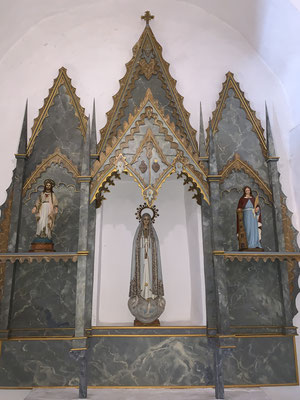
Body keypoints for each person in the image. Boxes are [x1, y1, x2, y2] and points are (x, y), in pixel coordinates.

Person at [129, 213, 164, 300]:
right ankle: (141, 293)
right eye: (144, 219)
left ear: (150, 221)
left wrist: (149, 252)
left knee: (149, 273)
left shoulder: (152, 234)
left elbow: (155, 245)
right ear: (141, 220)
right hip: (141, 258)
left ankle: (151, 294)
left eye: (148, 219)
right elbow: (136, 246)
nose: (146, 221)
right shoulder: (139, 233)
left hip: (150, 259)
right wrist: (142, 251)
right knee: (142, 273)